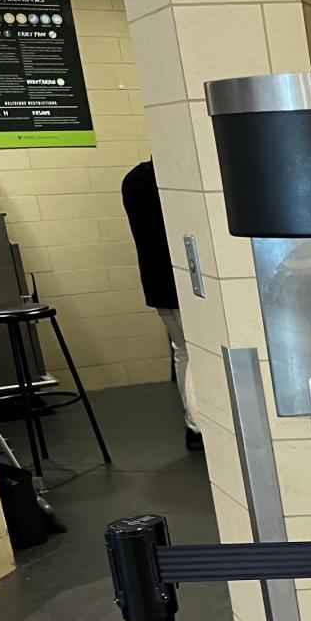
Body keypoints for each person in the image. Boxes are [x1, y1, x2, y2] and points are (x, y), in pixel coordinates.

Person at [121, 159, 202, 451]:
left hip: (158, 283)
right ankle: (198, 426)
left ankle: (194, 424)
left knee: (183, 352)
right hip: (184, 283)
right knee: (195, 355)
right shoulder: (177, 179)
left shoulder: (134, 180)